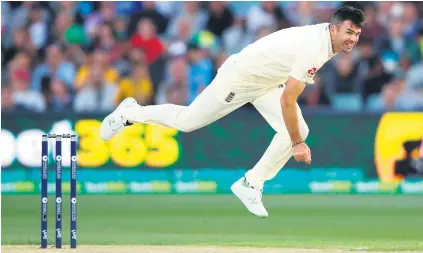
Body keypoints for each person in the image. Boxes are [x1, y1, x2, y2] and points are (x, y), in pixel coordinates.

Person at [100, 6, 365, 218]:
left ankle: (251, 184)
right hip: (240, 78)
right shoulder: (315, 48)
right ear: (333, 29)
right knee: (189, 121)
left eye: (356, 34)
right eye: (348, 32)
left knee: (300, 129)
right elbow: (288, 100)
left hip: (266, 82)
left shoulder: (325, 39)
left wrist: (297, 138)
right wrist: (297, 145)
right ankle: (131, 112)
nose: (352, 39)